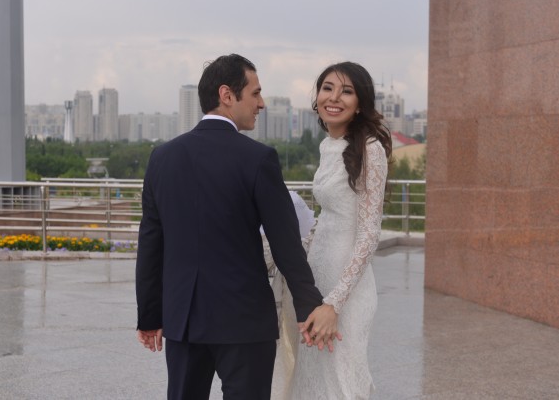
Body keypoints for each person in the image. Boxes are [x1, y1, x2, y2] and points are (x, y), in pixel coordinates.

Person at [135, 53, 339, 400]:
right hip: (244, 320)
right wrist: (309, 306)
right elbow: (285, 243)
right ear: (227, 95)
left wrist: (150, 316)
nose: (261, 104)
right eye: (255, 93)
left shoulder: (162, 158)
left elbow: (152, 243)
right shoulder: (258, 159)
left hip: (184, 320)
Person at [277, 61, 392, 399]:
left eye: (347, 91)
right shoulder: (328, 145)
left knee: (342, 379)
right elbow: (327, 217)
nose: (334, 97)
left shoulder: (370, 149)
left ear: (360, 104)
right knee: (312, 375)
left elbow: (369, 234)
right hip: (317, 278)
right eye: (327, 88)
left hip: (347, 290)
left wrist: (333, 304)